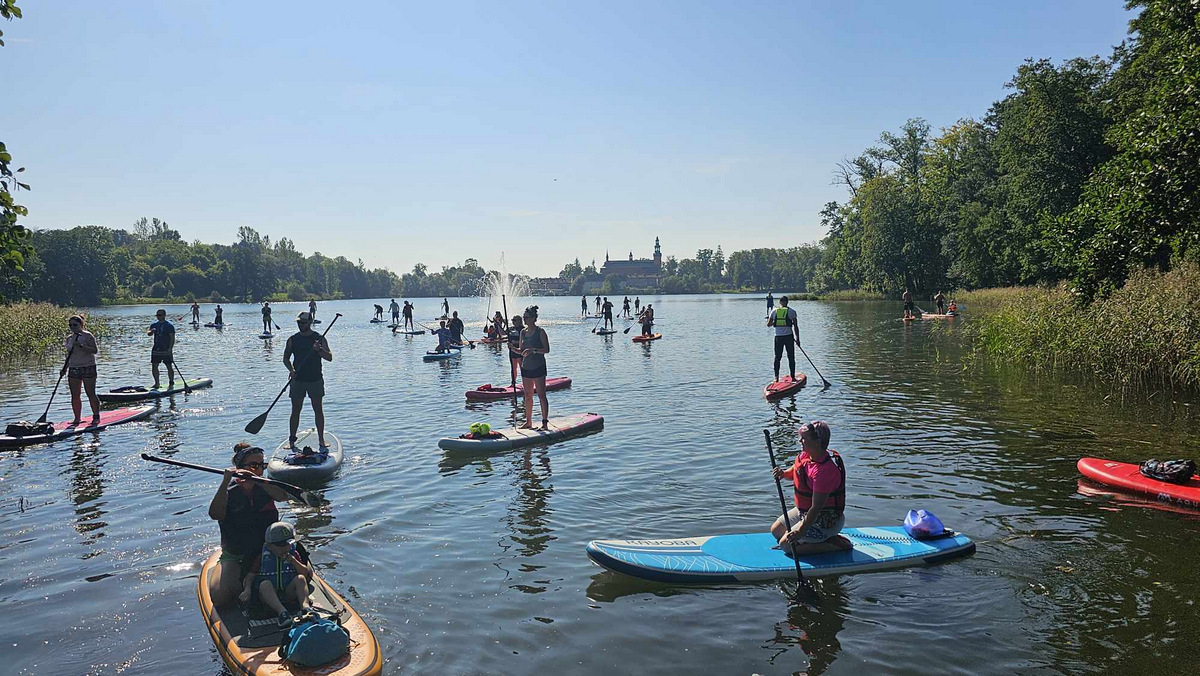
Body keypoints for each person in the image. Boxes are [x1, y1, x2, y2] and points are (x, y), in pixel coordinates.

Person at [207, 443, 289, 606]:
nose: (258, 470)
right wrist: (225, 483)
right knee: (221, 597)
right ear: (239, 468)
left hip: (268, 550)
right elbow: (215, 514)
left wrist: (258, 480)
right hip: (237, 553)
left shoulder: (266, 485)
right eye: (253, 466)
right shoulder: (229, 490)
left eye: (262, 466)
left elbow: (283, 496)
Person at [770, 421, 848, 555]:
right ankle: (820, 539)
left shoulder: (825, 471)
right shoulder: (806, 455)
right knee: (776, 530)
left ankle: (832, 545)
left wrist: (800, 532)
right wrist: (783, 474)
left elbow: (816, 507)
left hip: (825, 519)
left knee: (787, 546)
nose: (800, 440)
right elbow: (796, 472)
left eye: (804, 438)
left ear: (817, 441)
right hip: (805, 512)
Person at [241, 521, 313, 628]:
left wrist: (293, 561)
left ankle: (305, 608)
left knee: (300, 579)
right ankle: (282, 613)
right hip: (269, 597)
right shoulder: (262, 557)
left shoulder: (294, 554)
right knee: (265, 584)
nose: (286, 548)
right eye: (281, 545)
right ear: (269, 546)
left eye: (288, 544)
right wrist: (247, 589)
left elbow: (304, 573)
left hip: (288, 592)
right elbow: (250, 576)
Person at [283, 312, 333, 449]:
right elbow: (285, 359)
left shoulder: (319, 338)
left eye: (303, 323)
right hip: (298, 380)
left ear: (310, 323)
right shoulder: (293, 339)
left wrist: (319, 350)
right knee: (295, 410)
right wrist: (291, 370)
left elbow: (329, 357)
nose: (301, 325)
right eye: (299, 323)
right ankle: (292, 440)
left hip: (315, 379)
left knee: (318, 409)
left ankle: (321, 440)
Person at [63, 314, 100, 425]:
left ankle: (96, 416)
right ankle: (77, 418)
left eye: (75, 325)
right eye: (70, 325)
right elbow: (69, 355)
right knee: (75, 394)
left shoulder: (88, 336)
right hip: (74, 368)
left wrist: (81, 346)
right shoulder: (69, 338)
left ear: (81, 324)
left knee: (90, 393)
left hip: (88, 367)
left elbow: (94, 350)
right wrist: (64, 368)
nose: (72, 327)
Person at [518, 306, 551, 429]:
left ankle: (544, 422)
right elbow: (521, 351)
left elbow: (546, 350)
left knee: (541, 395)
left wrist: (534, 350)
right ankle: (528, 421)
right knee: (528, 396)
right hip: (526, 367)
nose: (524, 320)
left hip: (538, 366)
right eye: (523, 317)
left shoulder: (540, 332)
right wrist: (512, 348)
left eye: (526, 317)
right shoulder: (523, 332)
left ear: (533, 318)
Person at [767, 295, 800, 383]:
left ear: (780, 302)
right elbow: (796, 327)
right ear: (787, 302)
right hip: (789, 337)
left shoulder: (774, 311)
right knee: (791, 357)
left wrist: (776, 322)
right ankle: (793, 377)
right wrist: (798, 339)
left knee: (777, 357)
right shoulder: (792, 311)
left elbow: (768, 324)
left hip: (778, 337)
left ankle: (776, 378)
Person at [147, 309, 176, 389]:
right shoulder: (154, 325)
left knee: (169, 366)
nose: (158, 317)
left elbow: (172, 338)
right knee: (154, 366)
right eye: (157, 315)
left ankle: (171, 381)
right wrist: (151, 332)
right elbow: (149, 333)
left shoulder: (169, 326)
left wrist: (170, 348)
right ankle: (157, 383)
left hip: (166, 348)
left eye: (160, 315)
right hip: (156, 348)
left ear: (164, 315)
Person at [506, 315, 524, 385]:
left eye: (515, 320)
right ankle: (513, 382)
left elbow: (524, 340)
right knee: (513, 368)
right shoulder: (510, 329)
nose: (513, 322)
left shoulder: (523, 329)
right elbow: (502, 333)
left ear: (519, 321)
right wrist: (498, 322)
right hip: (512, 351)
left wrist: (516, 342)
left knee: (521, 367)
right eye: (512, 320)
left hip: (519, 350)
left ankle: (525, 382)